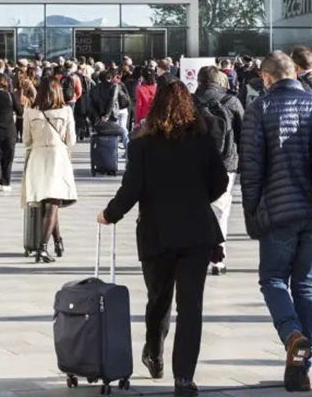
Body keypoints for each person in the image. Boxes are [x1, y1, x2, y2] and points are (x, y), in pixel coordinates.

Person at [98, 80, 228, 397]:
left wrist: (110, 214)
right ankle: (184, 377)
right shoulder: (202, 141)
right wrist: (198, 197)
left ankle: (153, 351)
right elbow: (221, 182)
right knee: (191, 306)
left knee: (158, 298)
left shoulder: (143, 145)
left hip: (157, 233)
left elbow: (132, 189)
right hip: (197, 232)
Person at [239, 51, 312, 393]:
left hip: (277, 209)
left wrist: (252, 216)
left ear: (268, 77)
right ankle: (300, 370)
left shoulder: (261, 109)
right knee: (305, 287)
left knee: (273, 279)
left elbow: (251, 168)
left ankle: (292, 335)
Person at [21, 76, 78, 263]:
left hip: (37, 157)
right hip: (57, 157)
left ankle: (58, 242)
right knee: (53, 203)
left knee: (49, 203)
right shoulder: (66, 112)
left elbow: (26, 140)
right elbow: (71, 140)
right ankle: (42, 248)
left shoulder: (30, 112)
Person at [193, 66, 243, 276]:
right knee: (220, 210)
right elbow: (243, 134)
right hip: (225, 163)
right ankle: (218, 260)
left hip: (193, 164)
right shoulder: (231, 102)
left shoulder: (189, 101)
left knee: (195, 210)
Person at [0, 74, 22, 194]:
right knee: (8, 157)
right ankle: (5, 183)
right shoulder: (10, 95)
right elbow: (19, 110)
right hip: (10, 130)